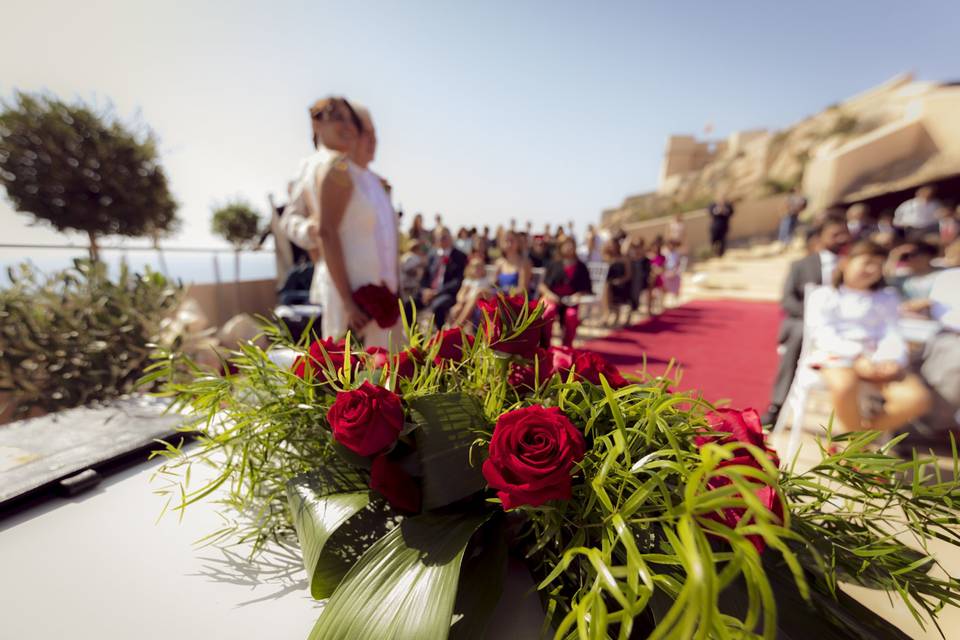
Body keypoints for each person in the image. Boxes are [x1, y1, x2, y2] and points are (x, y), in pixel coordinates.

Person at [807, 241, 930, 433]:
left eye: (879, 265)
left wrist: (891, 359)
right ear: (846, 263)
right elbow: (823, 332)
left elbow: (892, 333)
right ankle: (857, 447)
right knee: (844, 387)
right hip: (838, 355)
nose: (873, 269)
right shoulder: (824, 295)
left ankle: (858, 442)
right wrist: (857, 356)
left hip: (878, 358)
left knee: (916, 399)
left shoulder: (887, 297)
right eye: (867, 262)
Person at [311, 98, 402, 348]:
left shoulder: (375, 181)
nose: (372, 139)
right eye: (365, 132)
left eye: (375, 133)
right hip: (354, 304)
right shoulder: (339, 172)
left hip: (383, 301)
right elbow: (326, 233)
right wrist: (348, 303)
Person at [762, 213, 852, 425]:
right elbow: (787, 301)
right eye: (835, 234)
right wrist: (814, 319)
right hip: (804, 322)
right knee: (799, 336)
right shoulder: (801, 265)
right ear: (821, 237)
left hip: (842, 326)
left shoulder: (852, 266)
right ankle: (777, 405)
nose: (840, 238)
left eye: (844, 234)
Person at [538, 237, 592, 346]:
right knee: (548, 311)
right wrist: (550, 295)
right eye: (565, 245)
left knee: (571, 315)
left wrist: (577, 296)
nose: (568, 248)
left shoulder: (581, 267)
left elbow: (586, 289)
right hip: (553, 298)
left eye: (570, 245)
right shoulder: (553, 264)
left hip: (571, 301)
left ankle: (567, 346)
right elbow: (542, 285)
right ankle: (546, 345)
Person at [414, 226, 468, 329]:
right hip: (429, 293)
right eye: (438, 237)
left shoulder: (460, 256)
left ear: (450, 237)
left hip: (447, 294)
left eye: (444, 237)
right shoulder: (432, 255)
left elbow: (457, 281)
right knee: (408, 304)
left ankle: (441, 338)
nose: (441, 240)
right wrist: (425, 290)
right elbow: (424, 277)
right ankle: (417, 339)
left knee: (438, 306)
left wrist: (437, 292)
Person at [449, 255, 493, 327]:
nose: (478, 269)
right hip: (467, 301)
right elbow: (460, 294)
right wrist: (462, 301)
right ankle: (450, 327)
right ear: (470, 269)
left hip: (480, 302)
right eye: (475, 267)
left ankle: (457, 326)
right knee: (455, 310)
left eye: (480, 266)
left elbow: (488, 292)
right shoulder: (468, 281)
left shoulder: (486, 280)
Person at [601, 238, 632, 326]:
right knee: (607, 288)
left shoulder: (624, 258)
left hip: (623, 283)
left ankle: (610, 315)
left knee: (608, 288)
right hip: (610, 283)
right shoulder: (608, 258)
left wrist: (620, 281)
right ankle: (608, 314)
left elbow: (628, 274)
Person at [494, 230, 533, 295]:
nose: (509, 244)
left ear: (518, 243)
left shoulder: (524, 263)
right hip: (501, 298)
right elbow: (494, 284)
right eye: (506, 241)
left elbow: (523, 290)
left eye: (512, 241)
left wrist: (504, 293)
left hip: (516, 300)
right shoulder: (499, 263)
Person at [662, 239, 685, 306]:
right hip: (666, 272)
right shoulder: (664, 252)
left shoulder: (677, 253)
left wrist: (674, 271)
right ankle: (663, 303)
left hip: (675, 272)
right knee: (664, 287)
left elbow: (678, 263)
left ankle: (675, 302)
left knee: (676, 288)